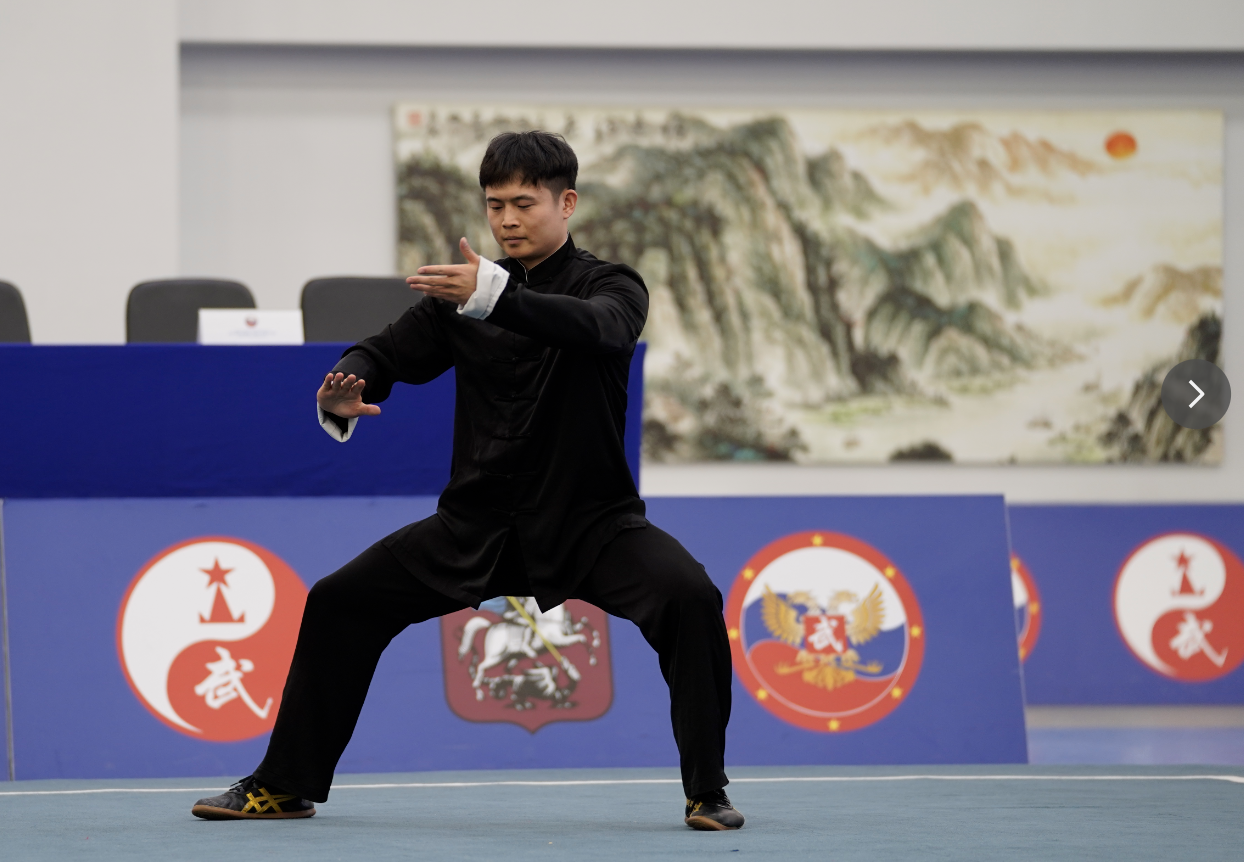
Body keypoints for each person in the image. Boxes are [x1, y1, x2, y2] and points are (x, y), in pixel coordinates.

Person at [191, 131, 743, 831]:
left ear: (567, 203)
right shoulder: (459, 296)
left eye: (524, 203)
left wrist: (491, 294)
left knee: (691, 598)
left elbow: (598, 330)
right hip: (474, 524)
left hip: (591, 525)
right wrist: (346, 384)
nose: (507, 219)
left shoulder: (612, 286)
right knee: (339, 601)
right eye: (494, 205)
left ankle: (707, 791)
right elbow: (384, 353)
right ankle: (284, 786)